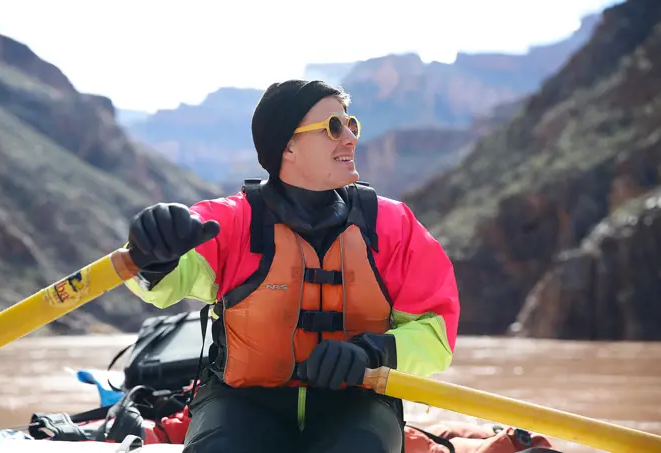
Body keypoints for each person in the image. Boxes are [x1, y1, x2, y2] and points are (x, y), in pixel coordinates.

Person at [123, 79, 461, 453]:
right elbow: (162, 283)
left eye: (352, 125)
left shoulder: (393, 226)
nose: (350, 138)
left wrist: (373, 351)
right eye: (334, 127)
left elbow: (437, 334)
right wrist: (153, 251)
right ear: (287, 145)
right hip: (242, 402)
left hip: (357, 402)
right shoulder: (230, 222)